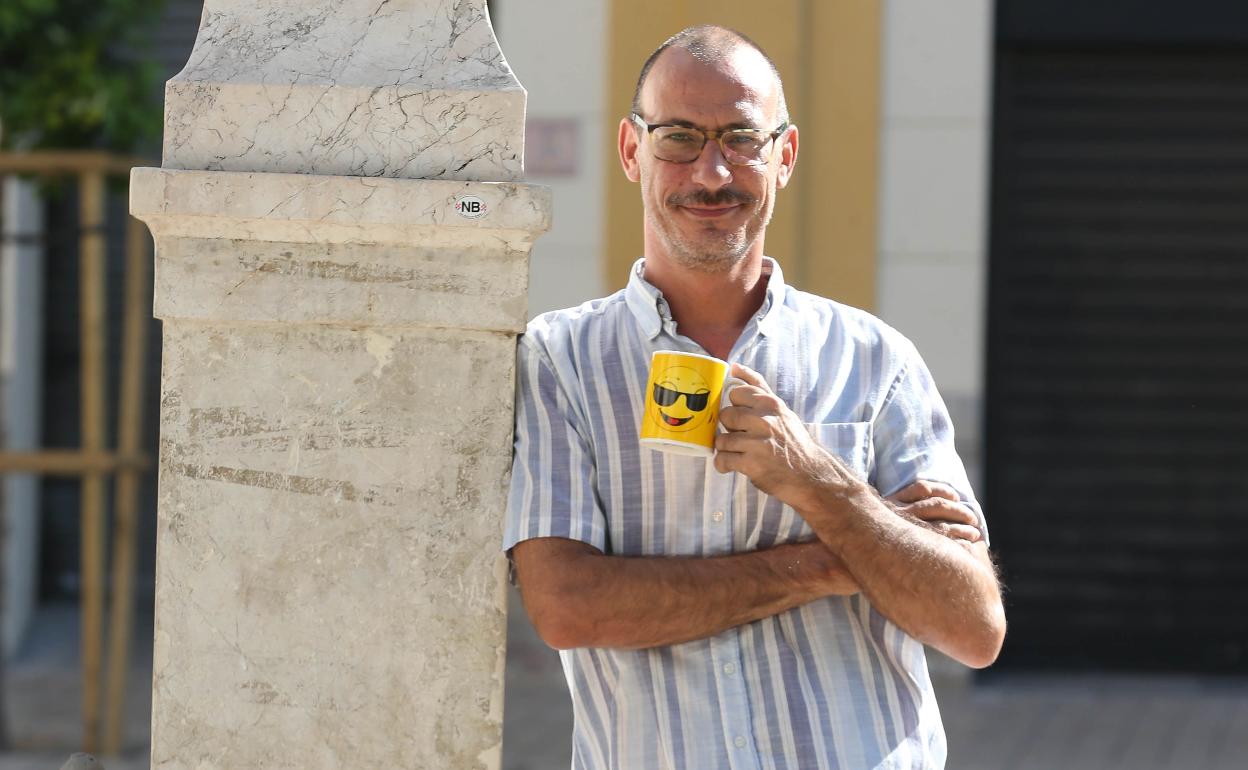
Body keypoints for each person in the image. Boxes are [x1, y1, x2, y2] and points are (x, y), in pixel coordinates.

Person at [504, 24, 1005, 770]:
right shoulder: (561, 360)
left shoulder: (876, 361)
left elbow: (972, 626)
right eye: (680, 137)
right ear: (632, 150)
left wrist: (822, 482)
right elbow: (568, 608)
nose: (712, 173)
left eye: (741, 138)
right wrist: (841, 559)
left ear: (785, 154)